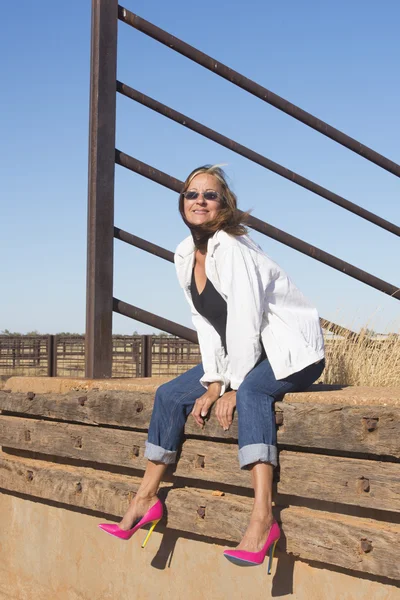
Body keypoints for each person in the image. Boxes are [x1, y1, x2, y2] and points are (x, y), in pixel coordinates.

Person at [98, 165, 325, 572]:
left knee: (254, 393)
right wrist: (215, 380)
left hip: (292, 350)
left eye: (210, 194)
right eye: (191, 194)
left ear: (224, 205)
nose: (199, 200)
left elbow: (245, 318)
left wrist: (233, 386)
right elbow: (205, 323)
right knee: (169, 395)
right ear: (182, 203)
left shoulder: (234, 248)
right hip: (252, 351)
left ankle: (262, 520)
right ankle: (145, 498)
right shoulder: (184, 254)